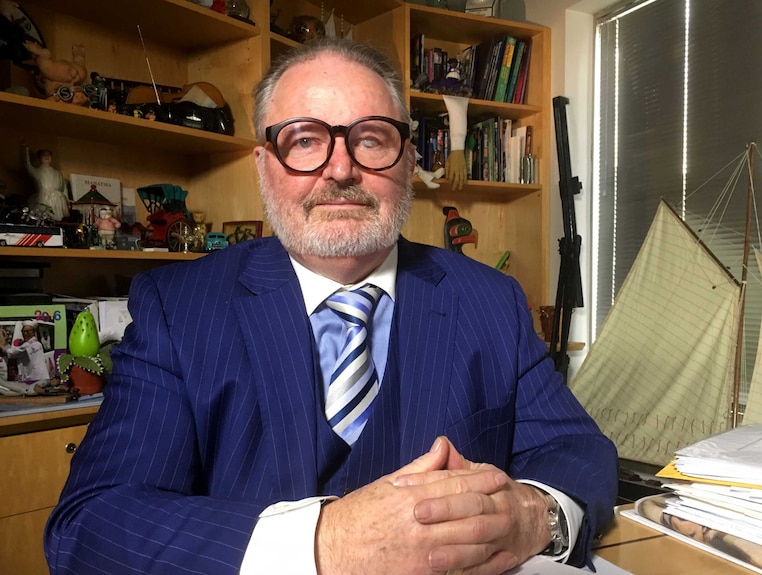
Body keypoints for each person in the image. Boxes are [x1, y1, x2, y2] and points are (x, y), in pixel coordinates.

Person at [45, 37, 617, 575]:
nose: (341, 170)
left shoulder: (491, 300)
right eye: (305, 140)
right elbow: (90, 526)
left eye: (370, 139)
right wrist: (326, 542)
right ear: (263, 164)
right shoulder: (178, 309)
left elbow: (576, 450)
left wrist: (534, 517)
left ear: (406, 159)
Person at [21, 144, 69, 222]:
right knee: (44, 217)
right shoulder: (38, 172)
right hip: (44, 198)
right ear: (40, 158)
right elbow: (28, 166)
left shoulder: (57, 173)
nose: (46, 156)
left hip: (57, 200)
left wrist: (66, 202)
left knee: (58, 219)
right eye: (44, 155)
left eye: (48, 155)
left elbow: (63, 188)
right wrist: (26, 150)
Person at [0, 320, 50, 386]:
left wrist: (1, 346)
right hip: (39, 376)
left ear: (33, 332)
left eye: (29, 331)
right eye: (24, 331)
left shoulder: (27, 345)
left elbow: (12, 352)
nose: (26, 333)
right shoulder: (36, 343)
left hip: (34, 377)